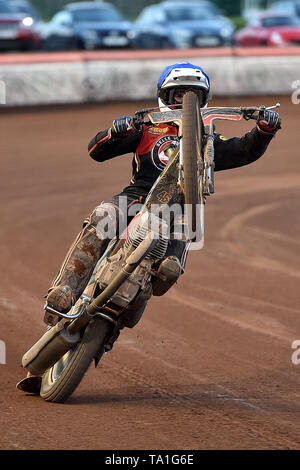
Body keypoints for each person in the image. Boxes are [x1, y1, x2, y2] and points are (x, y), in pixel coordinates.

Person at [17, 62, 281, 392]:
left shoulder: (208, 138)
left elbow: (242, 151)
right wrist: (115, 132)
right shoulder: (147, 127)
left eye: (193, 95)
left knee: (167, 270)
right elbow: (97, 152)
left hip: (179, 213)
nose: (185, 100)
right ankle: (66, 289)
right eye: (177, 94)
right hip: (135, 200)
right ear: (162, 97)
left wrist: (264, 132)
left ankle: (116, 321)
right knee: (103, 215)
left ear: (204, 100)